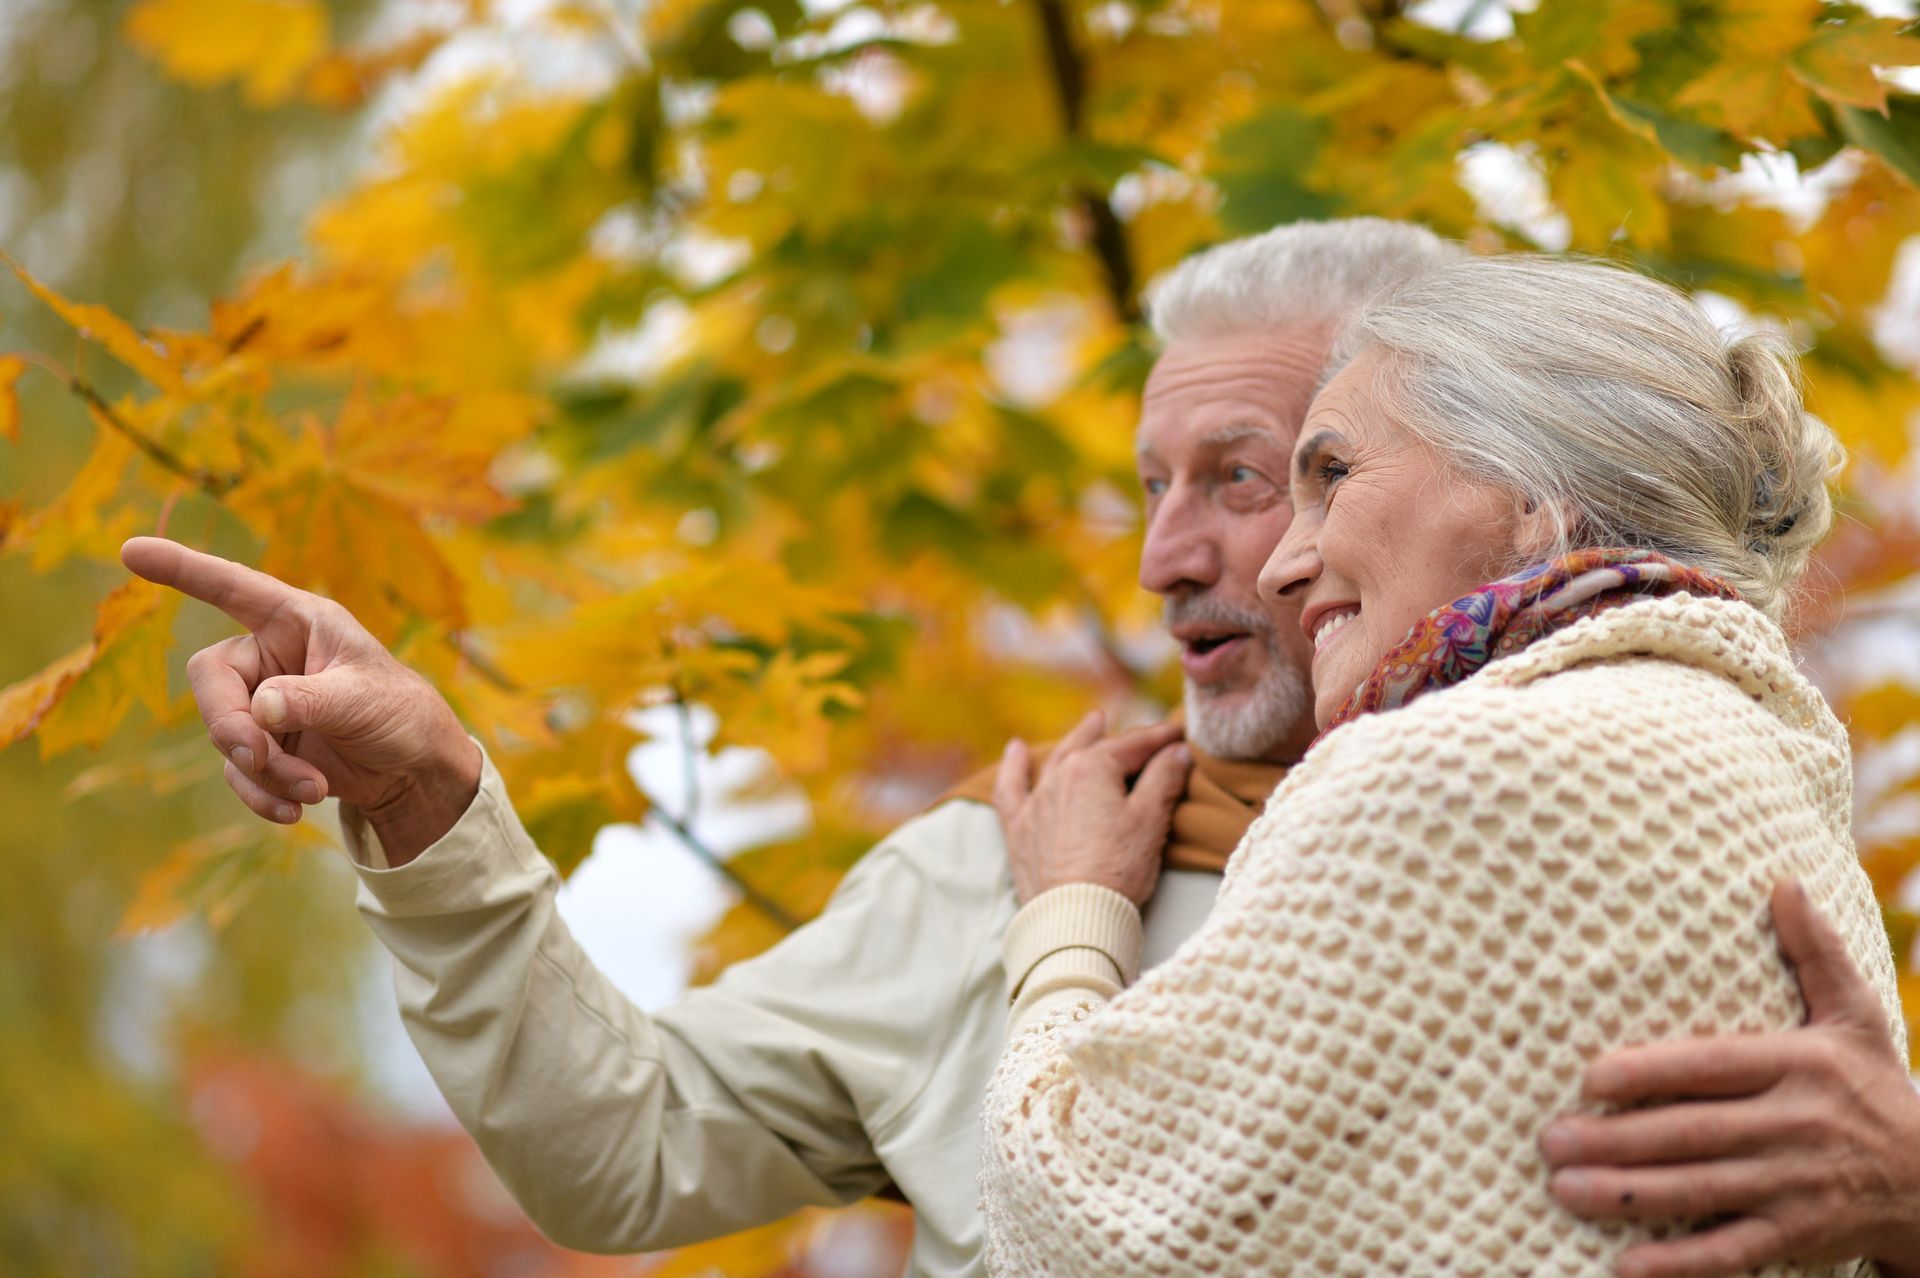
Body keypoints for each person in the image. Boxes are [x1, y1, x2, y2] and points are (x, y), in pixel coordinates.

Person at [121, 223, 1920, 1277]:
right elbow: (625, 1149)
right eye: (1159, 485)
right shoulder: (998, 870)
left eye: (1273, 469)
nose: (1190, 551)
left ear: (1480, 459)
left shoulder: (1694, 809)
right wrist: (433, 803)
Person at [978, 252, 1918, 1276]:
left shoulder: (1451, 770)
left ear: (1531, 491)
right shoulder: (1764, 756)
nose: (1286, 565)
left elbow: (1071, 1229)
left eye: (1331, 475)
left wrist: (1070, 910)